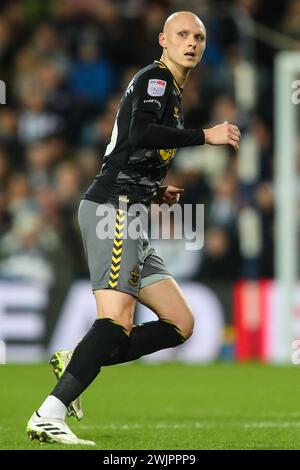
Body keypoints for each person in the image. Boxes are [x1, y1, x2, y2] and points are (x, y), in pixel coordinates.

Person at [26, 11, 240, 445]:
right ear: (163, 39)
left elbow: (128, 143)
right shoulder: (157, 80)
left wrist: (155, 189)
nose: (192, 43)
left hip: (132, 209)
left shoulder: (171, 91)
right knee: (116, 322)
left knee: (181, 322)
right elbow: (141, 131)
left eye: (199, 37)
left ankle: (79, 360)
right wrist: (206, 135)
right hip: (113, 208)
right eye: (182, 34)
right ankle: (49, 413)